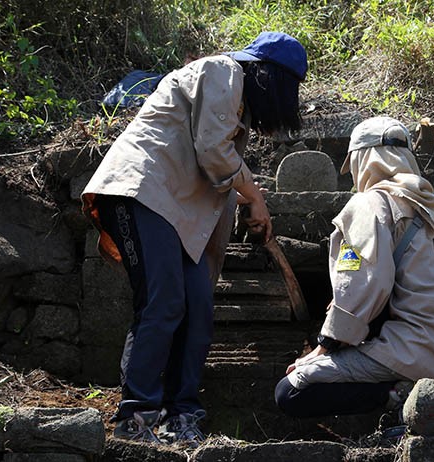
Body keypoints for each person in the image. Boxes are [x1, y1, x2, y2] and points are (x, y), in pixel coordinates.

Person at [81, 32, 307, 445]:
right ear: (268, 77)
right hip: (142, 192)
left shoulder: (238, 104)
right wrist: (255, 196)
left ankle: (181, 415)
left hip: (175, 210)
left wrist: (248, 199)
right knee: (163, 301)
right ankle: (136, 418)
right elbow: (213, 151)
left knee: (197, 308)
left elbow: (217, 169)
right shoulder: (223, 70)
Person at [275, 116, 434, 419]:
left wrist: (322, 348)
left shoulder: (370, 204)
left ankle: (400, 397)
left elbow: (362, 285)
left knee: (291, 391)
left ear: (363, 159)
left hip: (422, 352)